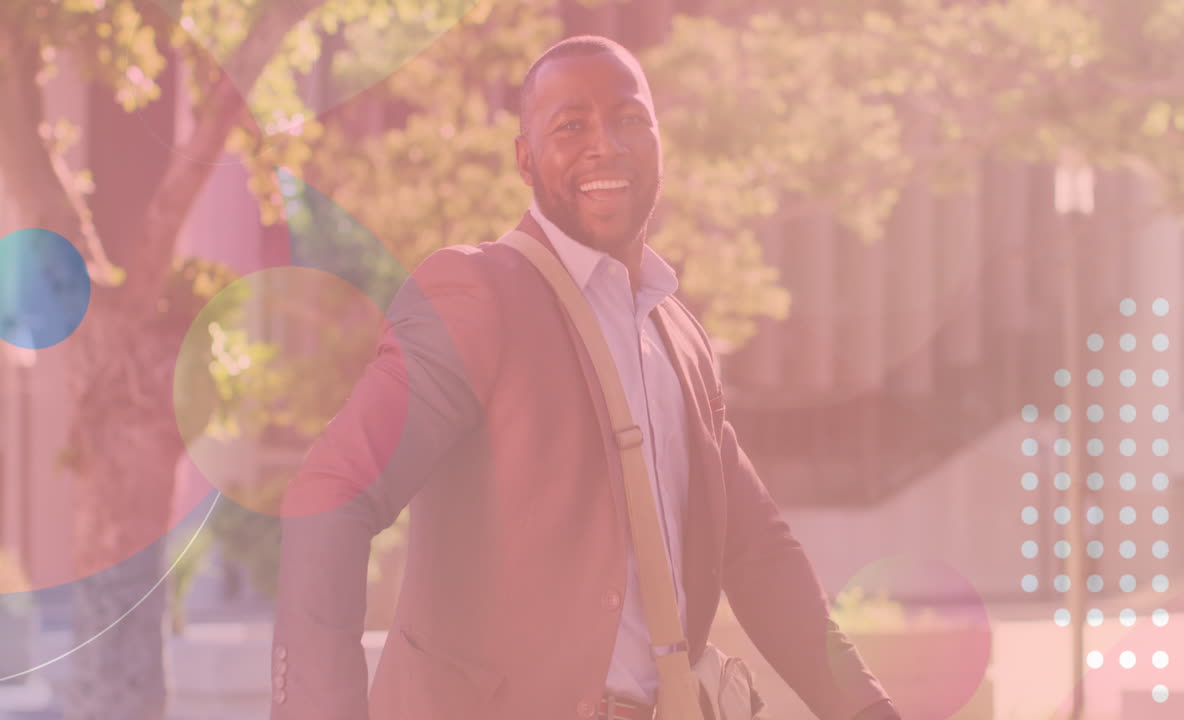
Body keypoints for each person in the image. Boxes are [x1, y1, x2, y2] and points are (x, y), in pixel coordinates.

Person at [269, 35, 900, 720]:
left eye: (629, 119)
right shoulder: (476, 293)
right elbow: (335, 489)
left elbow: (758, 553)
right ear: (524, 158)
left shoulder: (679, 336)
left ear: (659, 142)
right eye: (571, 126)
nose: (606, 144)